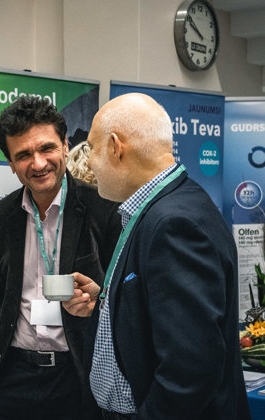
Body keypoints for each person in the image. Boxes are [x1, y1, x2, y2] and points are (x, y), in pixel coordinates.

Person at [64, 93, 251, 420]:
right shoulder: (165, 206)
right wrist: (109, 300)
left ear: (115, 147)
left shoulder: (174, 224)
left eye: (91, 148)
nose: (88, 162)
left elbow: (189, 371)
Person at [0, 96, 121, 420]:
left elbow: (122, 298)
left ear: (65, 145)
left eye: (46, 148)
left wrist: (97, 302)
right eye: (23, 155)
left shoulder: (103, 209)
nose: (38, 163)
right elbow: (6, 293)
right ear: (11, 163)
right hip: (15, 375)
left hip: (78, 374)